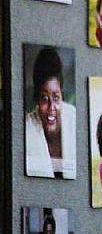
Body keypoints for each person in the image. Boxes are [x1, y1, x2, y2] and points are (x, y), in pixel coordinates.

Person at [25, 46, 76, 179]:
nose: (51, 107)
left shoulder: (74, 118)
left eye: (56, 97)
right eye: (44, 98)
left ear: (62, 95)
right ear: (37, 98)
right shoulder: (26, 128)